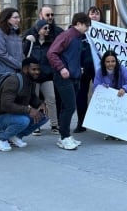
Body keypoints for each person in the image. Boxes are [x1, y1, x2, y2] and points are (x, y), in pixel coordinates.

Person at [47, 12, 92, 150]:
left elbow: (71, 56)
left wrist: (78, 69)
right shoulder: (67, 36)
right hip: (64, 77)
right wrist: (61, 69)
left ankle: (65, 135)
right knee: (70, 106)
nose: (88, 28)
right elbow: (51, 53)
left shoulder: (77, 37)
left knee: (68, 107)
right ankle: (64, 137)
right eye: (86, 25)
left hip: (74, 76)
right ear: (78, 24)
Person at [0, 57, 49, 152]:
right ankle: (0, 137)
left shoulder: (31, 81)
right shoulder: (13, 81)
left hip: (15, 115)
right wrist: (29, 110)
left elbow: (32, 98)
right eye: (34, 69)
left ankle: (15, 136)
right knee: (23, 120)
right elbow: (6, 104)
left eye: (38, 69)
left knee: (43, 116)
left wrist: (40, 104)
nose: (37, 72)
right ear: (25, 69)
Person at [23, 19, 58, 135]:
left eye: (48, 28)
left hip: (47, 75)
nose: (48, 30)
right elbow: (24, 54)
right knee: (35, 100)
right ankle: (35, 124)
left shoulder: (50, 42)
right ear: (38, 29)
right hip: (33, 76)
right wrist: (27, 41)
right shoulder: (31, 41)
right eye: (45, 28)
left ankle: (54, 124)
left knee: (51, 99)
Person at [75, 6, 102, 133]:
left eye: (97, 14)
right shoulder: (82, 31)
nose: (95, 16)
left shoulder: (105, 31)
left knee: (102, 95)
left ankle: (102, 122)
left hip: (101, 69)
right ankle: (81, 123)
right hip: (83, 68)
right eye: (92, 14)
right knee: (81, 96)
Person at [0, 7, 24, 78]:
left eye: (19, 17)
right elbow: (1, 54)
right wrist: (20, 65)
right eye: (15, 18)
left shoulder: (16, 34)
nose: (18, 20)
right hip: (4, 74)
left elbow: (20, 53)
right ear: (7, 19)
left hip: (17, 73)